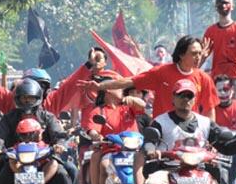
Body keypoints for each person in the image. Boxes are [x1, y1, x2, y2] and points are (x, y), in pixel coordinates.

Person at [79, 35, 219, 121]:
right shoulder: (161, 72)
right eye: (194, 53)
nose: (198, 57)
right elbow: (129, 81)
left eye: (200, 54)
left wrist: (210, 138)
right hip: (162, 133)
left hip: (190, 135)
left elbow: (209, 109)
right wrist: (99, 86)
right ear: (181, 55)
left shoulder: (204, 78)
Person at [81, 81, 145, 184]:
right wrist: (96, 135)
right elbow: (92, 129)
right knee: (104, 165)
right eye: (118, 87)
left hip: (133, 150)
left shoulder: (128, 107)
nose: (122, 90)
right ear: (108, 90)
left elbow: (142, 105)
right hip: (111, 150)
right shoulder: (99, 111)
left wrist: (133, 99)